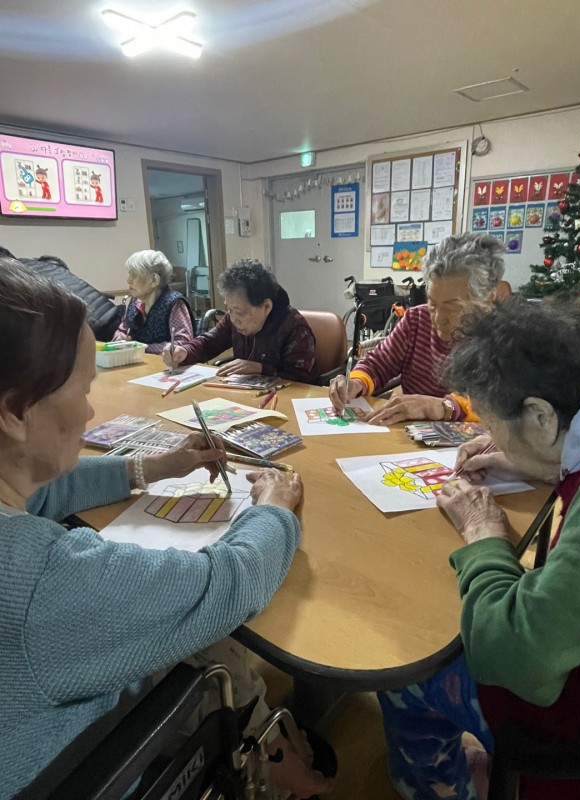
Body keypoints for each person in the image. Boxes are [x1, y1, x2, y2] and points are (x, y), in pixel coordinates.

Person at [0, 257, 332, 798]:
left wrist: (152, 467)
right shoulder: (40, 580)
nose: (90, 414)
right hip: (85, 761)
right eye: (82, 390)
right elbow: (228, 581)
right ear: (15, 412)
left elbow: (45, 489)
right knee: (217, 634)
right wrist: (274, 508)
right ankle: (274, 770)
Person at [378, 297, 580, 800]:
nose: (486, 436)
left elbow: (521, 656)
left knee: (406, 665)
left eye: (492, 424)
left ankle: (443, 788)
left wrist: (484, 535)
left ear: (541, 416)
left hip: (577, 709)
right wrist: (542, 463)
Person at [329, 233, 510, 425]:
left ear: (487, 300)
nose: (437, 319)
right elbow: (378, 363)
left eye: (452, 307)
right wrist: (356, 382)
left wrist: (441, 407)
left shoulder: (505, 338)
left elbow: (503, 407)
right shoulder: (417, 319)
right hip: (410, 436)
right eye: (432, 303)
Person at [163, 258, 318, 383]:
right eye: (229, 309)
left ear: (266, 306)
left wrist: (261, 369)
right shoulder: (232, 319)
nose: (233, 319)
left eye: (239, 312)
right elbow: (208, 343)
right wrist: (184, 351)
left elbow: (300, 382)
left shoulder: (295, 328)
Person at [112, 249, 195, 353]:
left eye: (134, 275)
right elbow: (122, 329)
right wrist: (119, 338)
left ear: (154, 280)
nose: (129, 280)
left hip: (163, 362)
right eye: (130, 274)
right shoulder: (135, 302)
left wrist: (141, 348)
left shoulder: (174, 304)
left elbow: (182, 343)